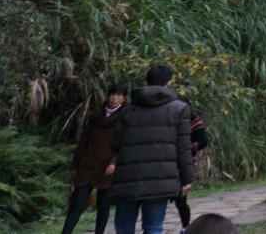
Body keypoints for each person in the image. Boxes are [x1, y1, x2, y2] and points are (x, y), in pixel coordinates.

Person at [111, 65, 193, 234]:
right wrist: (186, 179)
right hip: (160, 180)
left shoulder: (127, 111)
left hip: (128, 179)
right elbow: (183, 148)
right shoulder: (179, 109)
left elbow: (115, 145)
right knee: (153, 228)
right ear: (169, 83)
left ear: (146, 82)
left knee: (123, 229)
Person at [62, 82, 126, 234]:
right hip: (88, 164)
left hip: (107, 168)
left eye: (119, 95)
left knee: (103, 205)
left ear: (123, 99)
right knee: (77, 203)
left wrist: (114, 162)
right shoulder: (96, 115)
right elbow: (83, 141)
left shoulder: (125, 117)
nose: (114, 98)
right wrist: (74, 165)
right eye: (112, 94)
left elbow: (124, 143)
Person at [172, 109, 208, 231]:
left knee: (181, 199)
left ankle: (185, 227)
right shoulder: (169, 120)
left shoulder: (195, 123)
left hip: (185, 162)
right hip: (168, 162)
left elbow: (203, 141)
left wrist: (190, 147)